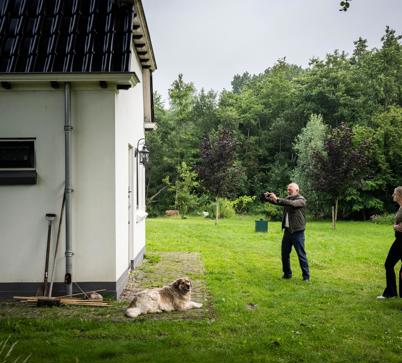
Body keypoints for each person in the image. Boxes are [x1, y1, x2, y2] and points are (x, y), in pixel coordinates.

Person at [264, 183, 310, 281]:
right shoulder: (287, 199)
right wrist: (268, 198)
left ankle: (306, 277)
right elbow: (278, 202)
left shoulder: (301, 200)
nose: (288, 191)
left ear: (297, 190)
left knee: (301, 255)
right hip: (287, 231)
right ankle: (287, 274)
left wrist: (277, 199)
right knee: (284, 254)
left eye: (290, 189)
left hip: (298, 232)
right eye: (288, 189)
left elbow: (292, 204)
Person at [377, 186, 402, 299]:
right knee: (390, 265)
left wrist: (395, 226)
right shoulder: (401, 207)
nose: (393, 195)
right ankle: (391, 292)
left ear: (400, 195)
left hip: (401, 241)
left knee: (389, 264)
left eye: (394, 194)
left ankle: (390, 292)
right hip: (399, 240)